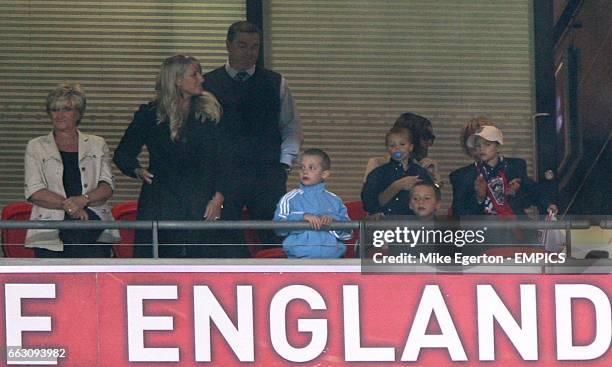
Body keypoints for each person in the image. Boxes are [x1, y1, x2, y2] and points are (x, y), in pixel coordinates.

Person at [113, 55, 227, 258]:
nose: (201, 79)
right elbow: (123, 154)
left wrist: (218, 197)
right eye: (195, 74)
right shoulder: (150, 114)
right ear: (177, 80)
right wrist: (137, 170)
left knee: (202, 261)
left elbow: (223, 160)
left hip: (200, 201)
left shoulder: (208, 114)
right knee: (159, 262)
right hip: (160, 201)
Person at [203, 21, 302, 249]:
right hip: (223, 176)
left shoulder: (276, 82)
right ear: (228, 45)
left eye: (254, 47)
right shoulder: (208, 84)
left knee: (274, 237)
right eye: (242, 45)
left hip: (267, 174)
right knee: (225, 239)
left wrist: (283, 164)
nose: (249, 53)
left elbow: (291, 126)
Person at [24, 84, 120, 257]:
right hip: (50, 231)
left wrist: (83, 200)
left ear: (79, 113)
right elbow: (34, 190)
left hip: (92, 226)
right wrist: (72, 207)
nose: (59, 115)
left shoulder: (97, 143)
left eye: (66, 109)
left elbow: (107, 186)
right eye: (54, 110)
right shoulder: (36, 146)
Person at [450, 125, 557, 243]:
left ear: (498, 147)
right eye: (478, 145)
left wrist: (547, 205)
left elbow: (533, 190)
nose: (481, 149)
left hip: (515, 226)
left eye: (487, 144)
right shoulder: (462, 176)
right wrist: (479, 198)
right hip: (483, 233)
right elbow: (459, 213)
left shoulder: (514, 167)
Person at [274, 149, 351, 258]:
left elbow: (348, 233)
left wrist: (332, 220)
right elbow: (278, 228)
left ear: (324, 174)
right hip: (299, 261)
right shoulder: (289, 198)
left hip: (333, 262)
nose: (305, 172)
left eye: (311, 168)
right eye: (302, 167)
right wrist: (302, 217)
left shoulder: (335, 200)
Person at [361, 127, 434, 217]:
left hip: (414, 225)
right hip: (385, 225)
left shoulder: (420, 172)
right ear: (387, 148)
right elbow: (369, 204)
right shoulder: (378, 173)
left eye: (402, 144)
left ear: (411, 147)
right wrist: (398, 185)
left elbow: (432, 201)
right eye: (392, 145)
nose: (397, 148)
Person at [363, 112, 437, 182]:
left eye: (432, 138)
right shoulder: (377, 164)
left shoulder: (423, 167)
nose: (430, 143)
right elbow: (369, 195)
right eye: (426, 137)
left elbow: (433, 195)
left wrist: (434, 178)